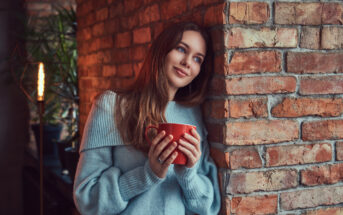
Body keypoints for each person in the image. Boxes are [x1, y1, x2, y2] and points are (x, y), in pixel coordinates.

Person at [73, 22, 221, 215]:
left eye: (197, 59)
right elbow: (87, 199)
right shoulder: (110, 106)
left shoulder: (192, 114)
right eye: (181, 49)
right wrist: (148, 174)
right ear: (162, 50)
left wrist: (188, 176)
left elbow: (208, 207)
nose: (187, 62)